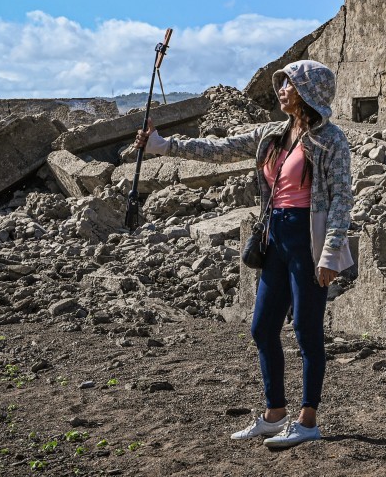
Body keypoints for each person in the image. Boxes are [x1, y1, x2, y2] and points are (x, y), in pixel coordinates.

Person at [135, 59, 354, 449]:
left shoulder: (331, 139)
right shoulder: (272, 134)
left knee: (306, 330)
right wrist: (163, 146)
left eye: (289, 83)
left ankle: (308, 419)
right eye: (282, 82)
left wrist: (330, 254)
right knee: (262, 328)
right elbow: (220, 148)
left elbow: (341, 200)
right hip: (275, 239)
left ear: (308, 91)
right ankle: (274, 414)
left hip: (309, 240)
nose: (281, 89)